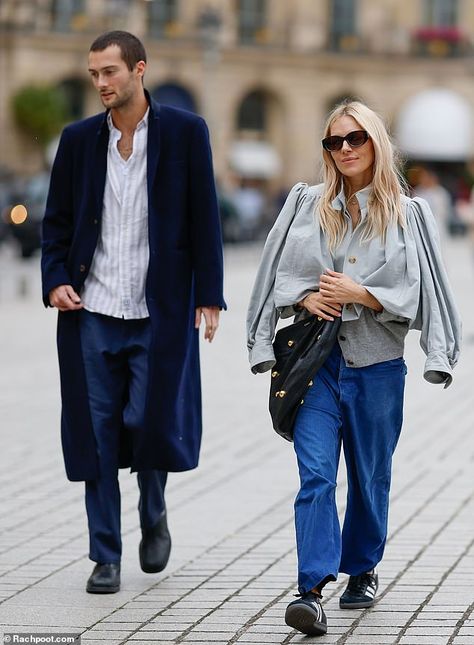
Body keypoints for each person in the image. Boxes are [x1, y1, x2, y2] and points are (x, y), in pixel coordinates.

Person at [247, 101, 461, 636]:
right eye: (334, 142)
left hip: (378, 367)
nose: (344, 149)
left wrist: (362, 295)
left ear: (376, 143)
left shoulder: (409, 214)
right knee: (315, 474)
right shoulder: (303, 203)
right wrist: (300, 303)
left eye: (355, 138)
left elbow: (427, 289)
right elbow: (272, 275)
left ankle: (362, 566)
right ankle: (310, 589)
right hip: (315, 363)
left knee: (370, 478)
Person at [41, 31, 225, 594]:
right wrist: (54, 283)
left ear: (139, 70)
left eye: (110, 72)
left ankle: (153, 507)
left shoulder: (186, 133)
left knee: (149, 421)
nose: (100, 82)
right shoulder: (76, 142)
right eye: (94, 73)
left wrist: (209, 295)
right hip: (91, 309)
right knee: (95, 435)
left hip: (158, 311)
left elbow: (204, 218)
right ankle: (104, 555)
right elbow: (55, 226)